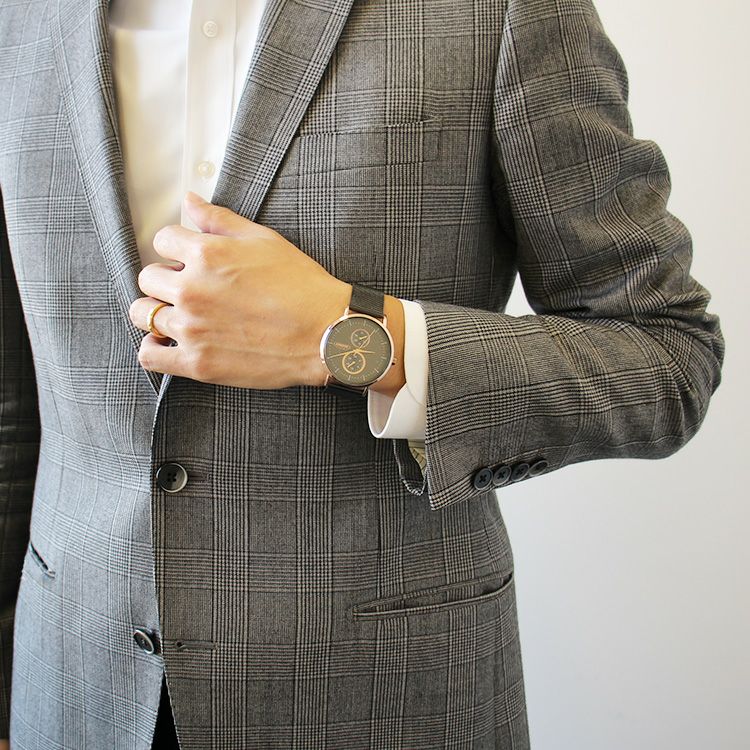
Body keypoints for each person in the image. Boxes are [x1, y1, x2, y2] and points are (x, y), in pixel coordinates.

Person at [0, 0, 724, 747]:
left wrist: (352, 335)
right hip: (69, 685)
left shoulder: (500, 12)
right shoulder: (22, 17)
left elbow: (669, 355)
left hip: (387, 690)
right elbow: (14, 401)